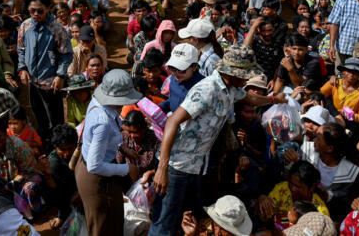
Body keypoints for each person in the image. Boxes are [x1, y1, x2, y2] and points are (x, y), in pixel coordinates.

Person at [150, 45, 278, 235]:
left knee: (187, 219)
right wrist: (162, 169)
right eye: (245, 74)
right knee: (164, 224)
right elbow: (173, 121)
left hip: (195, 167)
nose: (246, 79)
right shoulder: (207, 89)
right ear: (233, 73)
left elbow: (251, 98)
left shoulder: (231, 89)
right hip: (177, 166)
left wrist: (276, 100)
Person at [76, 69, 142, 236]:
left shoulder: (100, 103)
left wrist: (122, 148)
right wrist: (128, 169)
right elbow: (94, 165)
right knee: (102, 225)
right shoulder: (103, 121)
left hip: (101, 168)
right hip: (95, 177)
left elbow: (104, 140)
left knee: (114, 215)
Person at [17, 0, 73, 140]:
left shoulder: (57, 29)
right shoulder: (25, 26)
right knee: (38, 115)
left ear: (48, 8)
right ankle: (45, 141)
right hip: (32, 82)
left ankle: (59, 145)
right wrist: (22, 68)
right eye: (32, 10)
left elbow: (66, 54)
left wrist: (61, 75)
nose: (36, 14)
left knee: (55, 119)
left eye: (40, 10)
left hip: (51, 82)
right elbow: (21, 49)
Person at [180, 195, 252, 236]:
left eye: (224, 229)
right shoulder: (205, 227)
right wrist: (189, 234)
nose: (217, 233)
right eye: (216, 224)